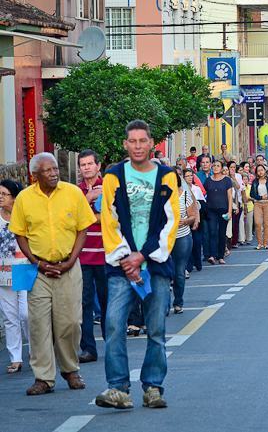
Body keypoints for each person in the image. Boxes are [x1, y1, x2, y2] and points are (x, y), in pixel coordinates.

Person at [96, 121, 180, 409]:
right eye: (132, 141)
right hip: (121, 266)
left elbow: (170, 222)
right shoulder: (113, 176)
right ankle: (118, 387)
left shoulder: (167, 176)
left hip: (154, 265)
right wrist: (126, 258)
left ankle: (153, 386)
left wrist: (142, 255)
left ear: (151, 143)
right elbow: (109, 218)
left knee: (156, 328)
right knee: (114, 324)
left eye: (143, 141)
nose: (138, 146)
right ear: (125, 144)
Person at [9, 153, 95, 396]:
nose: (54, 173)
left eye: (55, 169)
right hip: (38, 270)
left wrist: (70, 261)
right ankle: (44, 378)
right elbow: (20, 234)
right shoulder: (25, 198)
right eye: (47, 171)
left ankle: (70, 369)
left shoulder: (72, 193)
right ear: (35, 176)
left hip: (68, 266)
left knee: (70, 322)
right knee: (38, 325)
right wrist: (37, 262)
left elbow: (83, 230)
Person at [76, 149, 107, 364]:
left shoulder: (109, 188)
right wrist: (88, 199)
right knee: (84, 304)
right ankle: (88, 348)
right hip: (83, 256)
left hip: (106, 255)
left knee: (108, 303)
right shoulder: (75, 192)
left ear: (98, 166)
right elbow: (73, 220)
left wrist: (91, 216)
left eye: (89, 164)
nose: (86, 168)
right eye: (83, 164)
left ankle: (111, 342)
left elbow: (111, 217)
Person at [0, 179, 30, 375]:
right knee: (10, 318)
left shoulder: (24, 214)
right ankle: (15, 358)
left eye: (4, 194)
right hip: (3, 271)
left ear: (14, 196)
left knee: (26, 314)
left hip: (23, 268)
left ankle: (37, 353)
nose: (1, 197)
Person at [171, 174, 197, 313]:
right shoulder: (160, 195)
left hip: (182, 237)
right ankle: (162, 305)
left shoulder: (185, 195)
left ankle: (178, 302)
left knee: (179, 272)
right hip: (164, 238)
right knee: (163, 273)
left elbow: (192, 215)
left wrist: (185, 221)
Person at [203, 161, 233, 265]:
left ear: (221, 168)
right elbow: (204, 194)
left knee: (221, 233)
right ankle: (212, 255)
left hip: (223, 209)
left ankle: (220, 256)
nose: (215, 168)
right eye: (214, 166)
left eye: (218, 166)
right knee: (212, 232)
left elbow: (230, 197)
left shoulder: (227, 180)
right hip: (211, 209)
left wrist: (229, 211)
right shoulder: (208, 181)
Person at [249, 165, 268, 250]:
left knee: (266, 224)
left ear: (265, 171)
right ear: (256, 172)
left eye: (262, 170)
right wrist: (260, 197)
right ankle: (259, 243)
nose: (260, 172)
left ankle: (265, 243)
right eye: (258, 170)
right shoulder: (255, 181)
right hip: (258, 203)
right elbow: (252, 194)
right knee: (257, 223)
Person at [183, 168, 205, 272]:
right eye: (187, 176)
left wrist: (197, 219)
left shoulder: (196, 189)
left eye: (191, 175)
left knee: (196, 241)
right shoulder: (181, 190)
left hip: (196, 217)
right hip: (185, 219)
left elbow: (199, 205)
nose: (190, 178)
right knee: (188, 243)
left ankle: (198, 262)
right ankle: (189, 265)